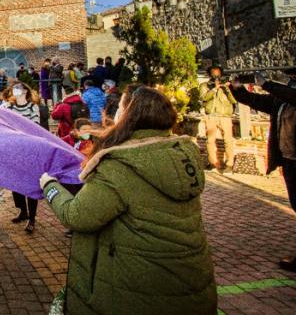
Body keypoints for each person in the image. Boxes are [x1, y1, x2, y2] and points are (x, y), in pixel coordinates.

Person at [39, 87, 217, 314]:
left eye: (121, 108)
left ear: (130, 115)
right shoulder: (181, 153)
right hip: (192, 285)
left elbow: (77, 216)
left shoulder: (121, 165)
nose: (116, 114)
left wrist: (50, 185)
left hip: (138, 290)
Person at [230, 69, 296, 271]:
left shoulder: (289, 95)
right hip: (290, 160)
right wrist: (238, 90)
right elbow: (259, 102)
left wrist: (266, 84)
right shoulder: (283, 101)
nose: (291, 81)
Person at [7, 82, 41, 233]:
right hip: (14, 149)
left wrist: (17, 131)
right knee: (16, 183)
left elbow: (33, 127)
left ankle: (32, 219)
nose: (16, 91)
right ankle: (22, 211)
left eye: (19, 88)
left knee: (30, 184)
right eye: (14, 89)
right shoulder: (9, 107)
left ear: (26, 91)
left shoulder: (33, 107)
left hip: (29, 150)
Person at [201, 65, 237, 172]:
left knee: (228, 139)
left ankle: (229, 163)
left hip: (225, 115)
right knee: (210, 140)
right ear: (210, 74)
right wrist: (214, 89)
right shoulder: (204, 85)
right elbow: (204, 97)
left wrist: (226, 88)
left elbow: (234, 100)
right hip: (211, 115)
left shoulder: (227, 86)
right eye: (214, 73)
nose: (216, 76)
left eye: (218, 73)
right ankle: (212, 162)